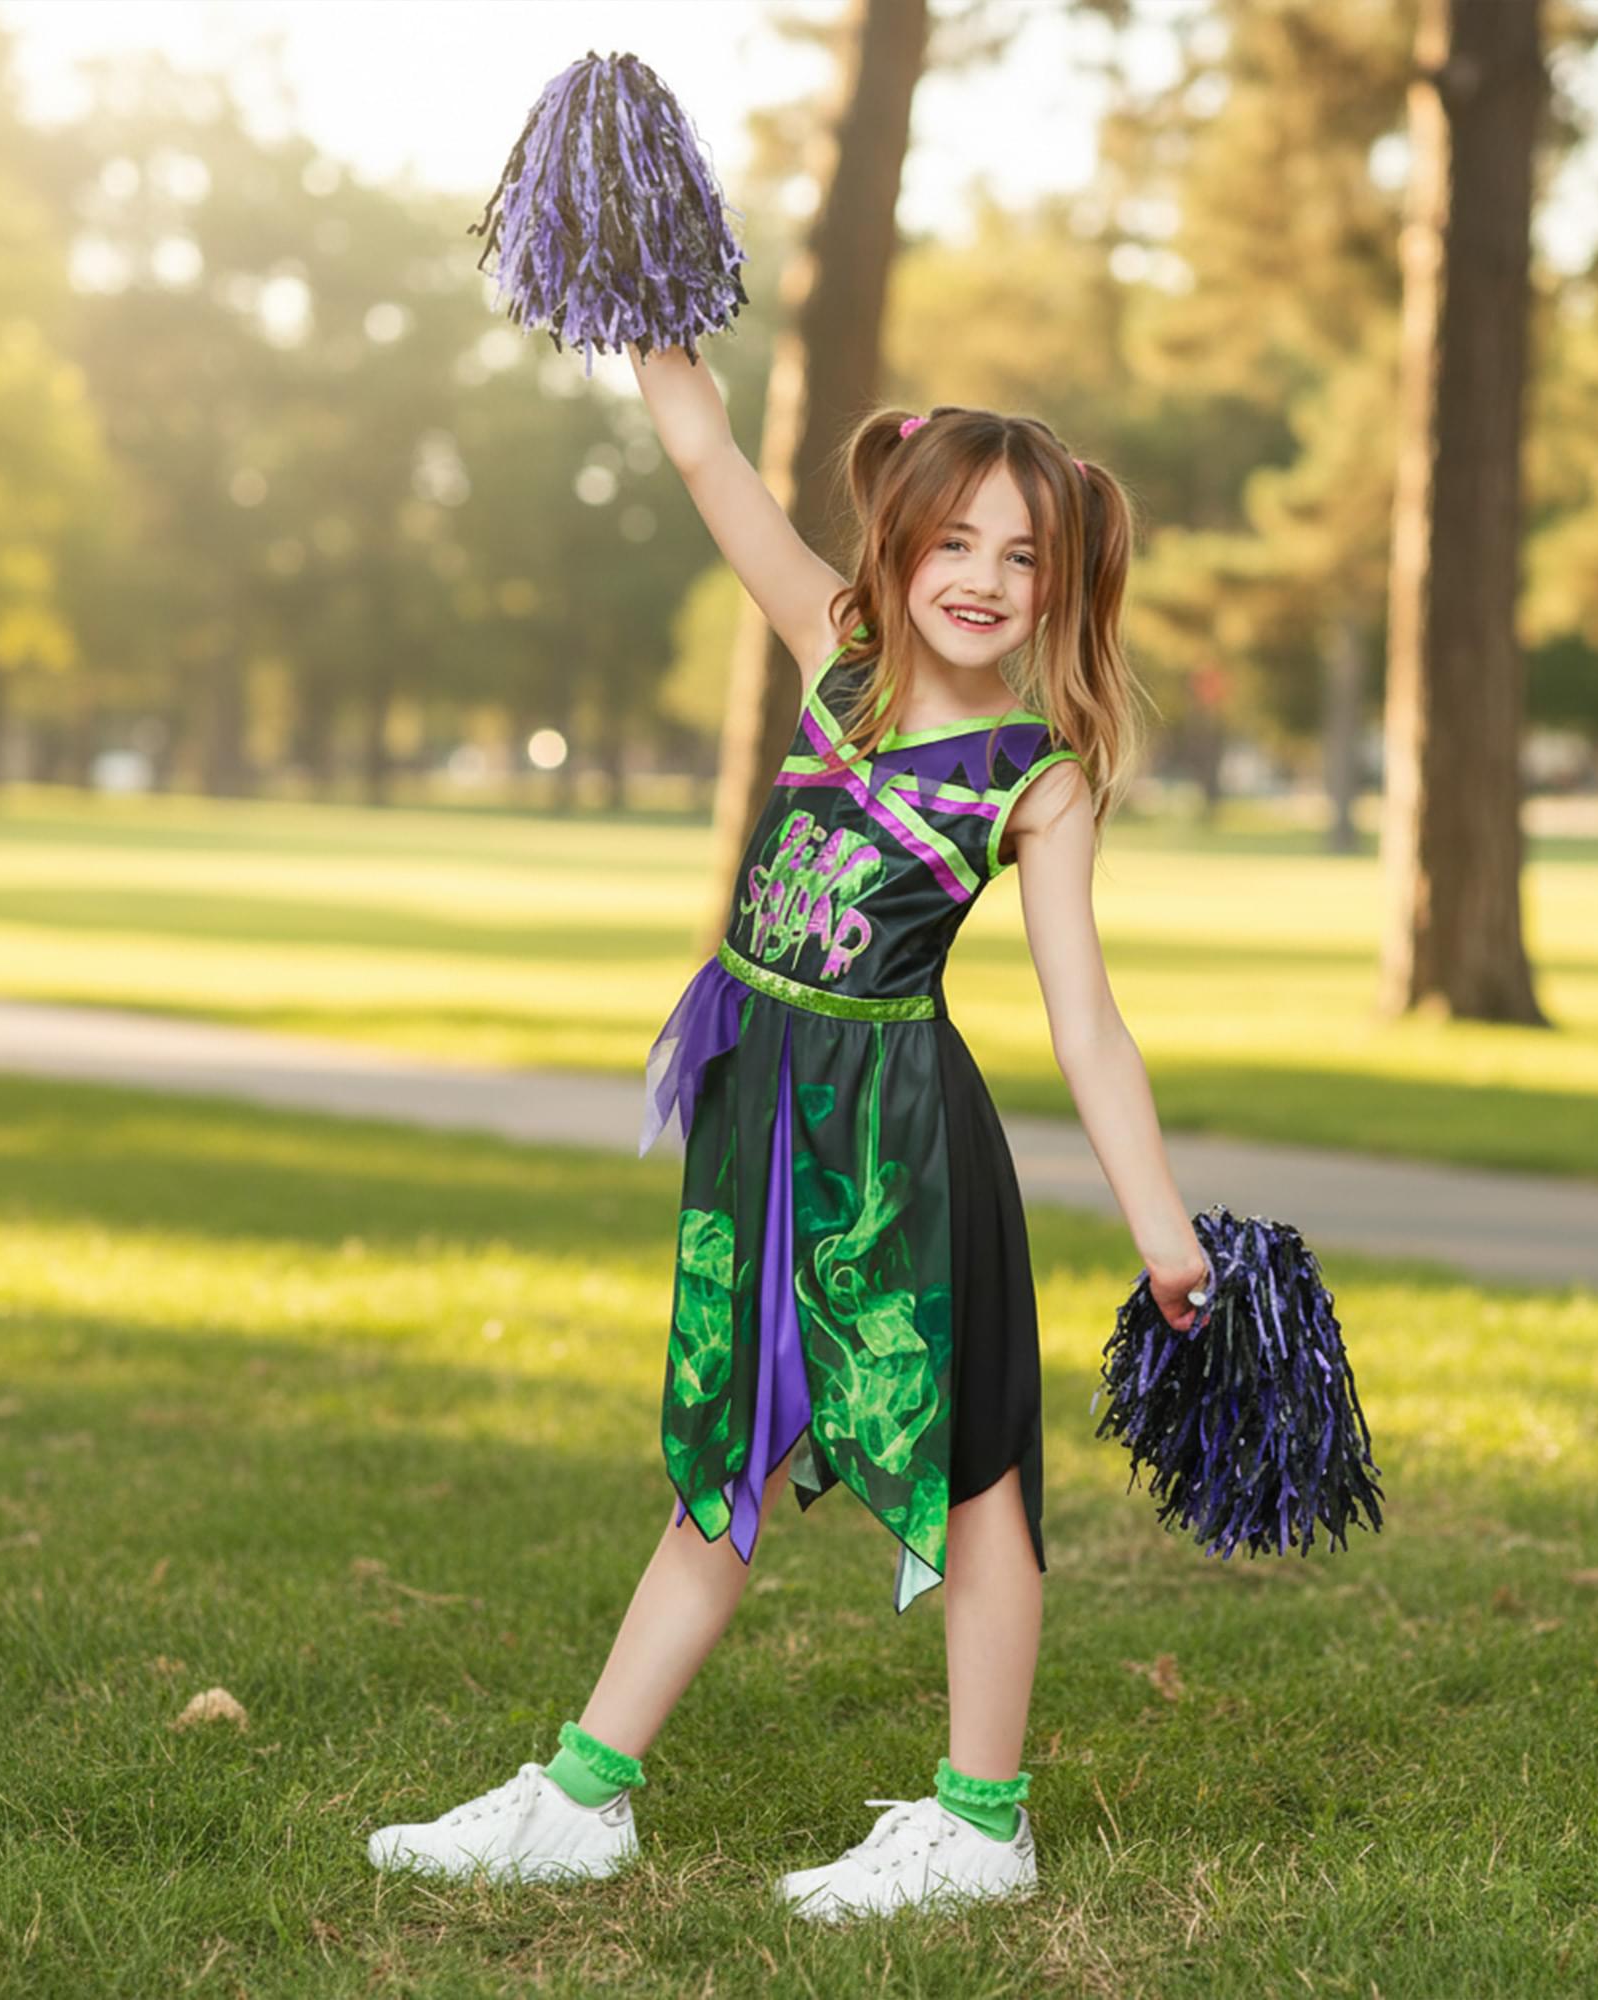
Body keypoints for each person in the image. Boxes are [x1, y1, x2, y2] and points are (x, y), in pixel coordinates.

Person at [366, 355, 1211, 1920]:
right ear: (895, 545)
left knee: (976, 1481)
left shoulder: (1040, 779)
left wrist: (1165, 1229)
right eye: (955, 539)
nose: (984, 578)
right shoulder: (840, 658)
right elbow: (704, 461)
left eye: (1024, 556)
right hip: (761, 1126)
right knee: (722, 1449)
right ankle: (580, 1801)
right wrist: (657, 316)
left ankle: (982, 1824)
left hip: (906, 1155)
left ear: (1061, 586)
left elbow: (1088, 1025)